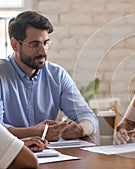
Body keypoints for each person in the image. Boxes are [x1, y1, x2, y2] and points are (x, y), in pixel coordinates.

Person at [0, 10, 98, 142]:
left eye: (45, 43)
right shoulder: (2, 74)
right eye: (34, 45)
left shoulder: (57, 75)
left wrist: (81, 128)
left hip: (52, 156)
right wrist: (35, 132)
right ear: (15, 45)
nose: (42, 51)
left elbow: (87, 116)